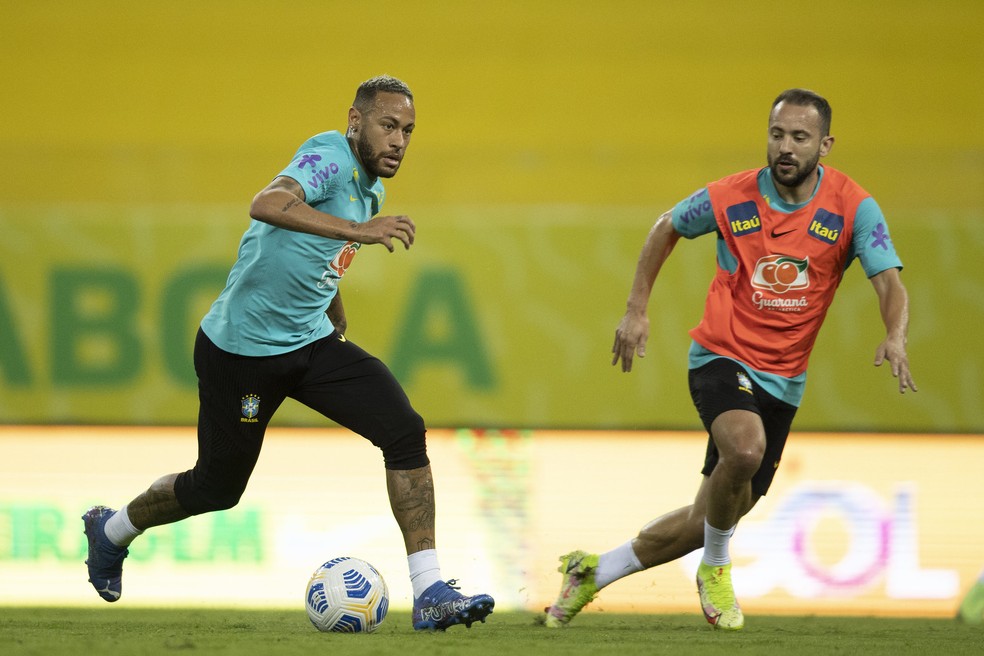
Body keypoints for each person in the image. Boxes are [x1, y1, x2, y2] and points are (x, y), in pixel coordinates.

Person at [83, 75, 494, 631]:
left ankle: (430, 591)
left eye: (408, 131)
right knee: (216, 488)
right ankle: (110, 531)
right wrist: (359, 231)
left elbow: (314, 251)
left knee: (403, 430)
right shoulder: (328, 156)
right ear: (355, 121)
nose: (399, 141)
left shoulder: (372, 190)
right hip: (242, 356)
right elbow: (268, 203)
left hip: (310, 343)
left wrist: (333, 301)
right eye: (388, 125)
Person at [543, 88, 916, 631]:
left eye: (800, 137)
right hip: (721, 356)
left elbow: (888, 282)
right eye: (777, 134)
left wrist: (895, 335)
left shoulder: (853, 207)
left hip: (784, 381)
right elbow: (668, 225)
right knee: (743, 450)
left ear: (825, 145)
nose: (785, 147)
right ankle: (716, 567)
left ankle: (592, 572)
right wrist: (636, 309)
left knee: (712, 514)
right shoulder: (731, 197)